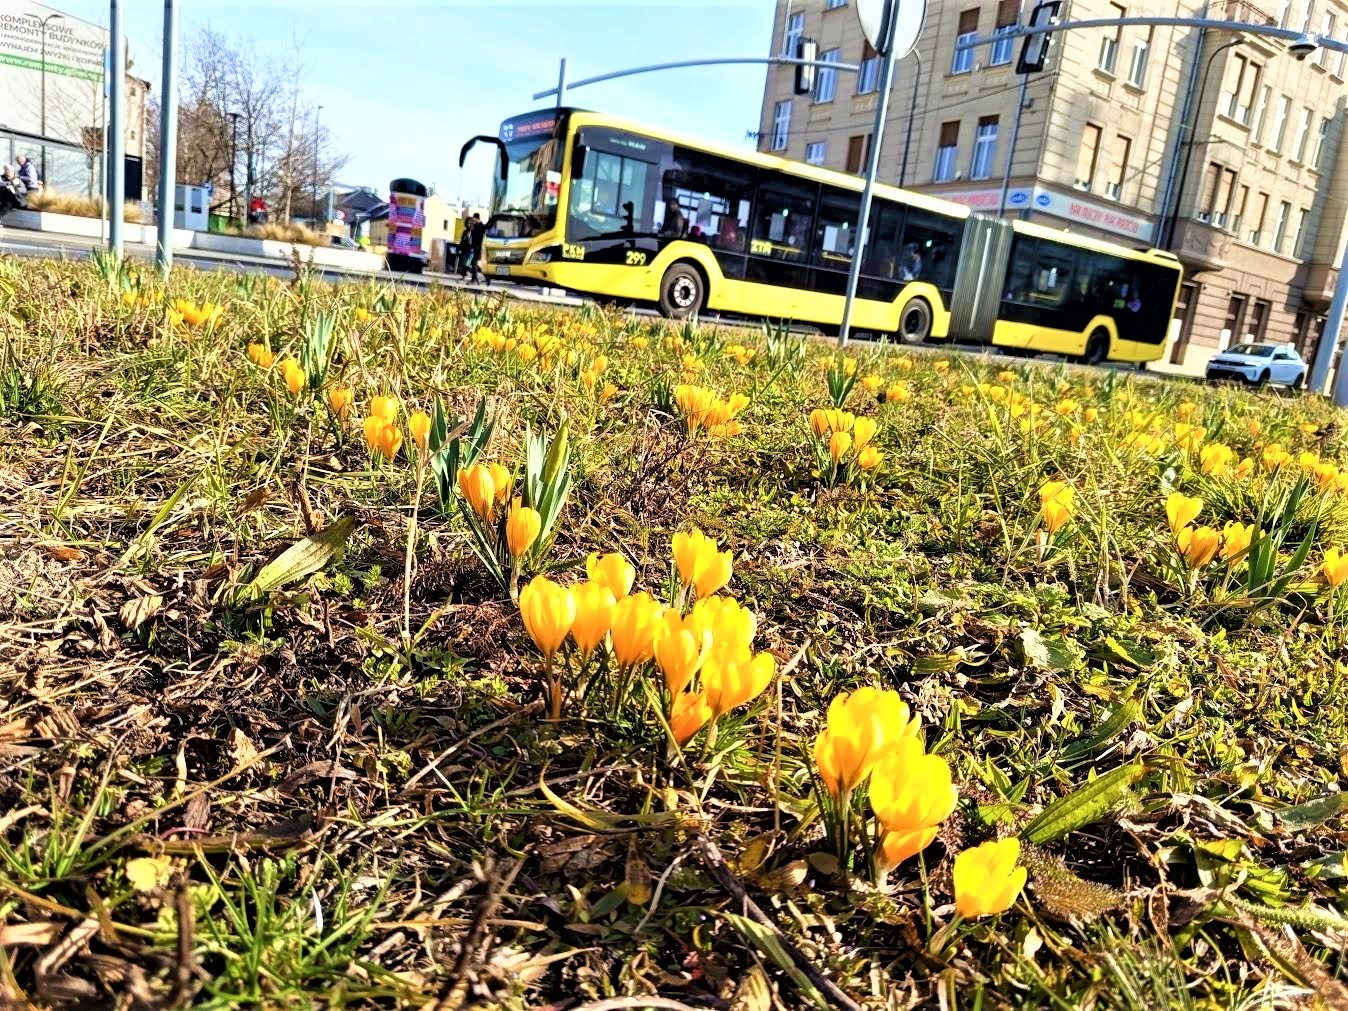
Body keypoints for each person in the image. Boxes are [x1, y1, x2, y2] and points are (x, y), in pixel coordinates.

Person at [462, 213, 487, 284]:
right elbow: (472, 235)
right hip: (475, 247)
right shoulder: (475, 226)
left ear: (477, 218)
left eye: (474, 219)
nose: (473, 220)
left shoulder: (482, 226)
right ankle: (475, 278)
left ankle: (475, 279)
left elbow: (481, 238)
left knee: (474, 262)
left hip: (479, 248)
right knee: (474, 263)